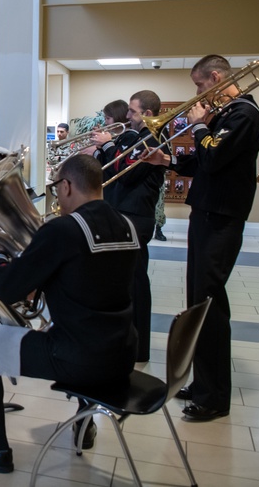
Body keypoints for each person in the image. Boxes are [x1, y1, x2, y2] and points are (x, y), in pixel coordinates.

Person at [0, 155, 139, 473]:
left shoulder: (64, 230)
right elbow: (94, 281)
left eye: (56, 188)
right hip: (122, 355)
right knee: (78, 335)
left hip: (77, 358)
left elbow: (8, 290)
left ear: (66, 186)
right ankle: (84, 420)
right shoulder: (128, 226)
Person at [144, 54, 259, 422]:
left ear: (214, 77)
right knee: (198, 301)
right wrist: (167, 161)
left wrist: (199, 127)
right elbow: (203, 163)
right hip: (207, 214)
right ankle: (201, 383)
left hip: (222, 218)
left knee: (210, 306)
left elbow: (213, 158)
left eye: (199, 84)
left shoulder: (244, 114)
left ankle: (215, 397)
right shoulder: (226, 115)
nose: (197, 93)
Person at [92, 90, 168, 363]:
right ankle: (126, 342)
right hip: (126, 214)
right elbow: (114, 170)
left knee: (135, 283)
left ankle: (138, 347)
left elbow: (128, 174)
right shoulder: (142, 138)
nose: (128, 116)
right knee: (125, 283)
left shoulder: (152, 138)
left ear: (148, 114)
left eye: (133, 112)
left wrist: (108, 145)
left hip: (135, 217)